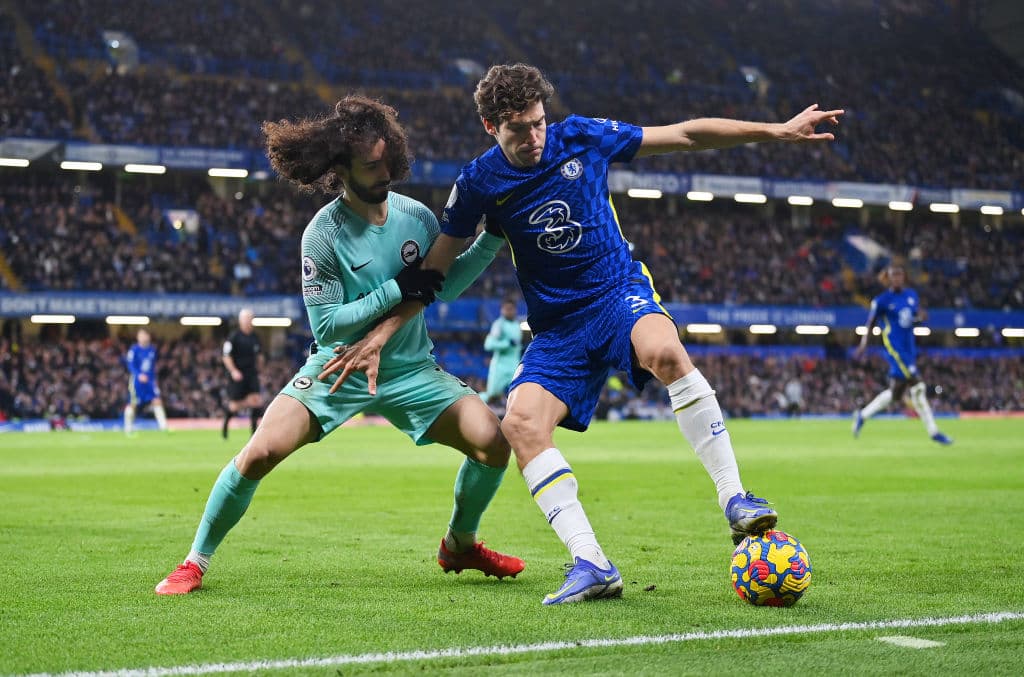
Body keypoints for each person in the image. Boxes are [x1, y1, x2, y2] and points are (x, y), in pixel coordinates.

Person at [318, 63, 843, 605]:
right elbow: (434, 273)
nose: (534, 137)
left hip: (617, 295)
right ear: (489, 126)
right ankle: (592, 563)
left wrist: (777, 130)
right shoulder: (479, 182)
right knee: (520, 424)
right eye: (518, 129)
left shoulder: (582, 137)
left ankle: (735, 498)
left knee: (665, 351)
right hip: (558, 328)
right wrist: (382, 333)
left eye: (539, 123)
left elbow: (686, 134)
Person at [155, 95, 523, 595]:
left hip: (412, 370)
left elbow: (443, 283)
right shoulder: (321, 236)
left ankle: (459, 543)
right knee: (259, 452)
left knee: (493, 445)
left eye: (387, 160)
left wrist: (490, 241)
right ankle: (194, 562)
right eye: (371, 166)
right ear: (341, 170)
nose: (385, 173)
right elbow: (328, 326)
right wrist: (398, 287)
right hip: (339, 369)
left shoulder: (415, 216)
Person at [852, 263, 953, 444]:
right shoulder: (881, 301)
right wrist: (863, 343)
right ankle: (934, 432)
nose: (896, 278)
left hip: (909, 347)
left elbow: (910, 320)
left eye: (899, 275)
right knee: (918, 386)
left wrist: (920, 318)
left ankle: (862, 415)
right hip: (895, 347)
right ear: (889, 278)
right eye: (893, 275)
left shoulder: (911, 296)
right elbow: (870, 324)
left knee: (896, 394)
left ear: (903, 277)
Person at [220, 309, 264, 438]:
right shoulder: (234, 337)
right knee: (234, 406)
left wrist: (260, 368)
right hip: (238, 375)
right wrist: (233, 371)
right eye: (245, 319)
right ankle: (225, 428)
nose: (247, 321)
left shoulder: (255, 337)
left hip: (251, 374)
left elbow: (259, 355)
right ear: (240, 321)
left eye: (249, 318)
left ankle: (254, 434)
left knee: (256, 401)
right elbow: (226, 356)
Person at [124, 329, 168, 434]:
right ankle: (128, 428)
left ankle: (163, 427)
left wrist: (154, 380)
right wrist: (139, 375)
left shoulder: (152, 350)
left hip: (149, 381)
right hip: (137, 382)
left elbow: (152, 367)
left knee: (157, 400)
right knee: (133, 404)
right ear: (138, 337)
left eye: (145, 335)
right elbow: (130, 365)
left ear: (148, 337)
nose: (143, 337)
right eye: (141, 335)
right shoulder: (134, 350)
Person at [482, 298, 523, 404]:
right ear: (502, 310)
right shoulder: (499, 325)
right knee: (491, 396)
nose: (509, 311)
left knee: (517, 396)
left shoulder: (517, 325)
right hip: (500, 367)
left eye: (511, 309)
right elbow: (488, 344)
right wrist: (507, 343)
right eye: (506, 309)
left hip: (514, 366)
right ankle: (474, 404)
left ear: (515, 310)